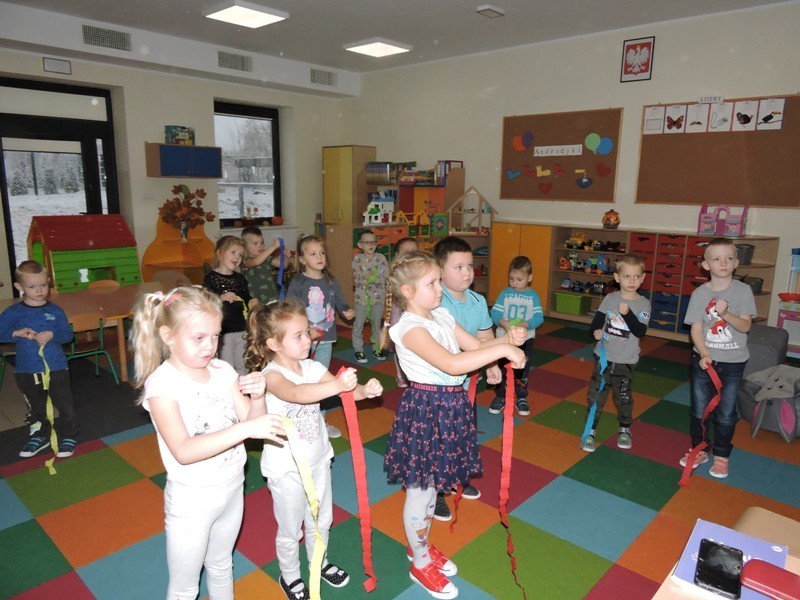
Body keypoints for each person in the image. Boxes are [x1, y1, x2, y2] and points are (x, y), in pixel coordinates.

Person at [383, 251, 525, 600]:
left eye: (437, 281)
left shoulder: (441, 315)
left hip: (449, 407)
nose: (439, 288)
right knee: (421, 490)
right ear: (408, 291)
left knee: (433, 486)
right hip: (427, 411)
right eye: (431, 283)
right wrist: (504, 351)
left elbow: (476, 346)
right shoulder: (409, 329)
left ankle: (420, 546)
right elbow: (452, 364)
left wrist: (507, 339)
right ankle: (419, 562)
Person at [130, 286, 285, 600]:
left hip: (232, 487)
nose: (210, 346)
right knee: (185, 587)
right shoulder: (162, 385)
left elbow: (252, 424)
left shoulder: (222, 370)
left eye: (215, 336)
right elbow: (184, 450)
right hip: (192, 499)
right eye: (199, 337)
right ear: (168, 336)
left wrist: (258, 397)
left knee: (221, 565)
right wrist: (246, 428)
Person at [246, 300, 383, 600]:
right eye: (297, 336)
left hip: (319, 459)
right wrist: (338, 386)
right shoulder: (272, 376)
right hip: (286, 469)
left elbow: (343, 391)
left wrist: (363, 391)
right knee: (291, 528)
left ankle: (319, 562)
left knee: (321, 519)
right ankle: (290, 576)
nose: (308, 339)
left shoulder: (313, 367)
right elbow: (297, 394)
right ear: (274, 344)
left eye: (306, 331)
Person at [432, 236, 500, 518]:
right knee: (440, 438)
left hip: (466, 383)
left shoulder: (477, 300)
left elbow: (486, 336)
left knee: (465, 432)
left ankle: (459, 477)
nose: (467, 272)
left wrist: (492, 363)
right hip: (440, 384)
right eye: (458, 267)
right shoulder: (437, 303)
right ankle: (436, 491)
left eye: (470, 266)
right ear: (440, 270)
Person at [681, 238, 756, 479]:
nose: (723, 263)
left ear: (736, 263)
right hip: (704, 361)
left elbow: (745, 326)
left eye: (728, 258)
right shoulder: (699, 293)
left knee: (725, 413)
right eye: (716, 259)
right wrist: (704, 353)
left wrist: (725, 314)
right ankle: (700, 448)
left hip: (733, 363)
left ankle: (722, 455)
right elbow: (695, 329)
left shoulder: (743, 291)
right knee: (699, 410)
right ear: (706, 265)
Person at [0, 260, 78, 458]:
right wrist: (15, 333)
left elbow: (67, 335)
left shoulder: (55, 311)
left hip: (57, 367)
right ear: (19, 287)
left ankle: (69, 435)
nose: (39, 290)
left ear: (48, 282)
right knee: (36, 407)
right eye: (32, 287)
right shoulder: (14, 312)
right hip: (26, 370)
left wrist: (52, 334)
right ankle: (39, 435)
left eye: (43, 285)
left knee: (65, 404)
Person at [287, 235, 355, 439]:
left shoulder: (330, 280)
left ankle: (321, 421)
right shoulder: (298, 282)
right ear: (302, 259)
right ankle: (297, 418)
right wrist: (306, 330)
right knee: (299, 379)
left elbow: (340, 301)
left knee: (321, 380)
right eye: (313, 253)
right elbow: (290, 310)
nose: (319, 257)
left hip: (325, 339)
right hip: (300, 341)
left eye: (322, 253)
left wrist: (346, 310)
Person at [581, 254, 651, 452]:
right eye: (627, 276)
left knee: (623, 397)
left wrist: (627, 314)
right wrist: (595, 332)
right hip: (603, 358)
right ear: (617, 277)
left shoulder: (644, 304)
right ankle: (590, 431)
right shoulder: (610, 298)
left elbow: (640, 331)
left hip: (626, 361)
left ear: (643, 278)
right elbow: (597, 322)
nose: (632, 281)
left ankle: (625, 428)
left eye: (636, 276)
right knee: (596, 396)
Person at [490, 256, 544, 416]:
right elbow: (495, 313)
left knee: (522, 369)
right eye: (511, 279)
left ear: (530, 278)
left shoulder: (533, 296)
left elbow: (538, 318)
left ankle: (521, 397)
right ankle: (500, 395)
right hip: (504, 338)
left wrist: (524, 325)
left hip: (525, 339)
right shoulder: (505, 293)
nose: (514, 283)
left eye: (519, 279)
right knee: (501, 367)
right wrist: (505, 324)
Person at [203, 235, 259, 375]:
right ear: (220, 252)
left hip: (242, 329)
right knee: (227, 366)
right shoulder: (211, 278)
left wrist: (252, 302)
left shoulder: (240, 278)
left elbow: (246, 298)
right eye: (233, 252)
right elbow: (206, 301)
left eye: (240, 255)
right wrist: (221, 297)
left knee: (243, 365)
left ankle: (242, 387)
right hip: (224, 331)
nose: (237, 257)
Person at [351, 230, 389, 363]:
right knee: (359, 324)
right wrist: (375, 277)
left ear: (377, 244)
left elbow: (385, 276)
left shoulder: (381, 258)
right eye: (367, 242)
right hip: (362, 299)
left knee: (376, 325)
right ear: (360, 245)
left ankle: (376, 348)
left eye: (373, 242)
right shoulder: (357, 259)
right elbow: (358, 278)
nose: (371, 245)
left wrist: (370, 278)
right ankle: (358, 349)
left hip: (378, 299)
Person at [386, 237, 419, 387]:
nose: (410, 255)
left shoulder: (421, 271)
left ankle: (413, 375)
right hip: (399, 313)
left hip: (414, 313)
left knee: (416, 345)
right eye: (406, 252)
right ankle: (401, 375)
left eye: (414, 252)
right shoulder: (395, 273)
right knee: (399, 345)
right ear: (397, 255)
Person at [241, 226, 283, 305]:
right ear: (244, 246)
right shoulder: (245, 261)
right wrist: (273, 246)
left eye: (262, 242)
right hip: (257, 303)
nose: (260, 246)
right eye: (255, 243)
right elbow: (256, 261)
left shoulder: (265, 257)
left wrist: (285, 256)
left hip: (274, 298)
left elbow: (282, 265)